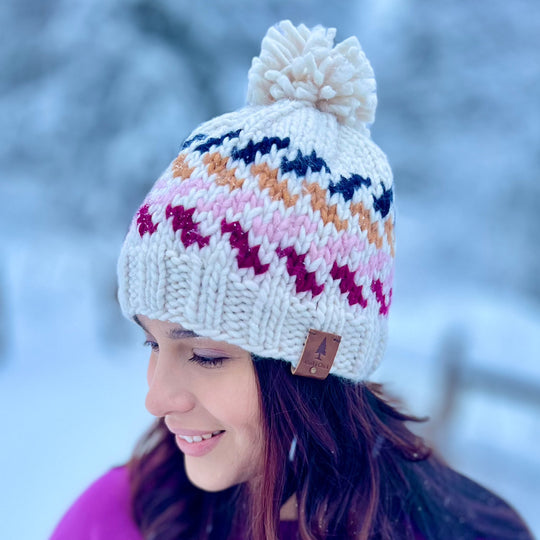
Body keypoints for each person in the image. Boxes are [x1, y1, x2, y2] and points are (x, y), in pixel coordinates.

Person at [50, 20, 533, 540]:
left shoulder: (474, 531)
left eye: (207, 354)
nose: (158, 398)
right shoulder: (116, 520)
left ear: (314, 364)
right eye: (152, 341)